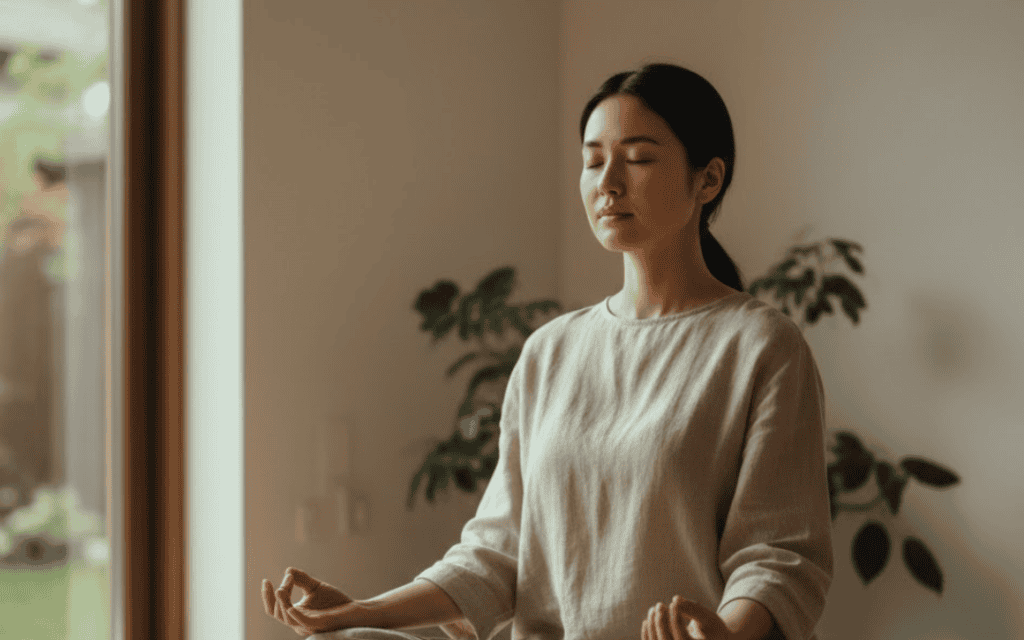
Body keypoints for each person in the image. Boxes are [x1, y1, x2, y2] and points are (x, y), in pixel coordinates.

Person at [263, 62, 833, 640]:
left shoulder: (761, 346)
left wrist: (726, 636)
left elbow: (777, 558)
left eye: (637, 159)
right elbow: (497, 552)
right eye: (592, 161)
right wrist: (363, 612)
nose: (608, 182)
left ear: (707, 180)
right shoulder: (550, 351)